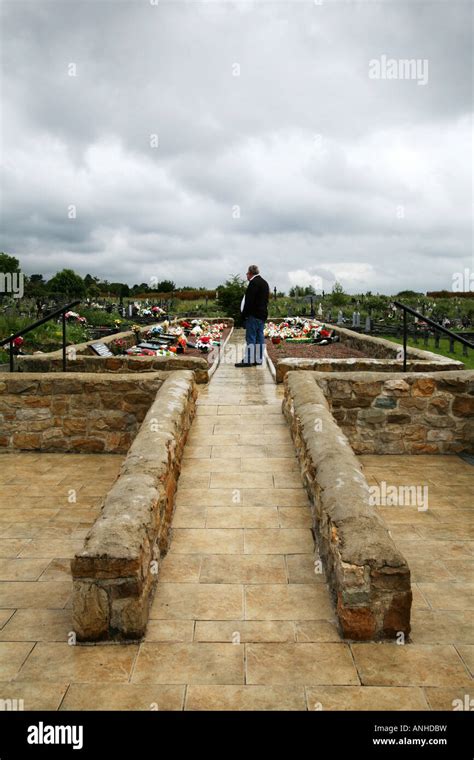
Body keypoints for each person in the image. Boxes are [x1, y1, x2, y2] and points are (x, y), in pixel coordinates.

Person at [235, 264, 270, 367]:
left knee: (250, 338)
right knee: (259, 338)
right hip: (262, 315)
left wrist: (244, 315)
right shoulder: (264, 283)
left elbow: (249, 301)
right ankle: (258, 359)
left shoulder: (253, 283)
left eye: (247, 273)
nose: (246, 275)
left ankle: (248, 360)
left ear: (250, 273)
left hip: (253, 315)